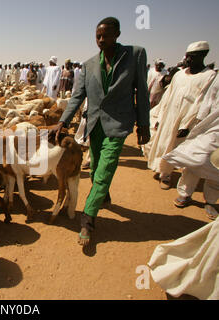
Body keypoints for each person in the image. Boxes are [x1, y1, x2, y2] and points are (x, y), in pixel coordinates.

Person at [50, 17, 150, 246]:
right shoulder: (88, 65)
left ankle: (87, 219)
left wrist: (143, 123)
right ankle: (102, 194)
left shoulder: (134, 55)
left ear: (117, 34)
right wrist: (63, 122)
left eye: (106, 35)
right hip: (95, 125)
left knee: (104, 171)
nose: (101, 40)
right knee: (95, 168)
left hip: (118, 124)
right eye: (98, 36)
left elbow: (141, 91)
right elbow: (77, 96)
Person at [145, 41, 216, 189]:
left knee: (175, 146)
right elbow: (167, 96)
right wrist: (159, 116)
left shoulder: (209, 76)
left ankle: (166, 175)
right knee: (163, 142)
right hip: (169, 115)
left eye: (192, 56)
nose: (188, 59)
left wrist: (187, 124)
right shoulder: (179, 75)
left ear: (202, 56)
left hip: (186, 118)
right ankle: (160, 168)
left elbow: (201, 102)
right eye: (187, 56)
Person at [162, 73, 218, 220]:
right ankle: (185, 193)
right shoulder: (216, 78)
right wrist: (197, 122)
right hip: (210, 125)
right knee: (196, 159)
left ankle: (211, 201)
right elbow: (206, 100)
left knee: (217, 167)